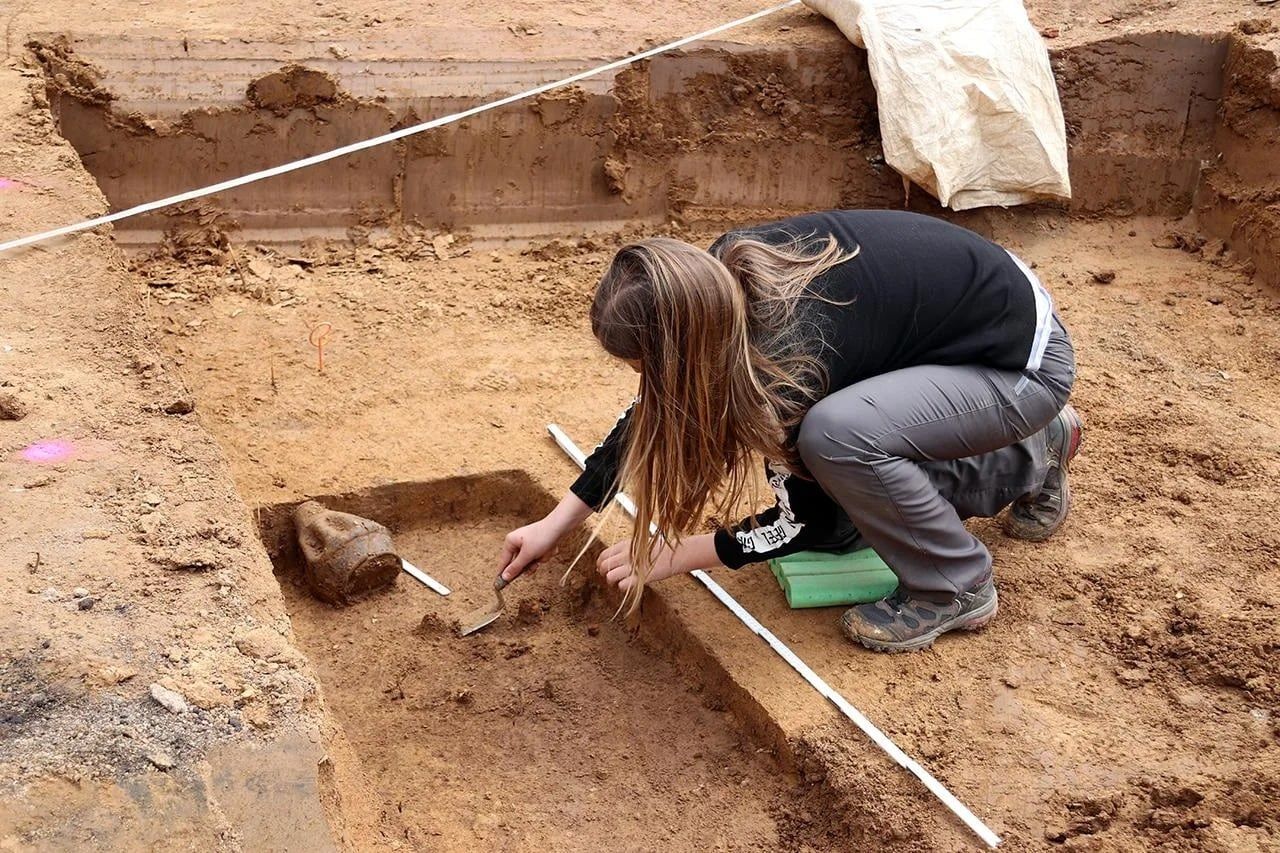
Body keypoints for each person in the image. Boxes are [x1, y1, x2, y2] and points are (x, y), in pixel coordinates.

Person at [496, 210, 1081, 653]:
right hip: (968, 330)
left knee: (837, 441)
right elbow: (656, 409)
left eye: (646, 367)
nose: (646, 383)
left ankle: (955, 585)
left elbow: (807, 521)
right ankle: (1036, 452)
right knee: (852, 466)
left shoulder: (789, 365)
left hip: (1017, 366)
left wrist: (684, 553)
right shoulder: (713, 285)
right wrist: (557, 521)